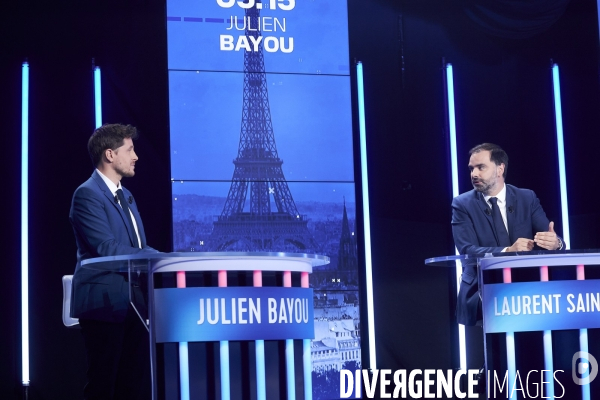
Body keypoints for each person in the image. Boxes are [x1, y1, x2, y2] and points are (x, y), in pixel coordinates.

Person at [69, 123, 158, 400]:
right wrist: (159, 258)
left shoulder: (126, 195)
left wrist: (163, 259)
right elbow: (107, 248)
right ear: (110, 154)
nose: (136, 156)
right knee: (103, 386)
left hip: (136, 304)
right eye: (130, 149)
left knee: (133, 385)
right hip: (105, 304)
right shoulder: (87, 194)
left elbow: (138, 248)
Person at [451, 143, 563, 326]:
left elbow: (550, 236)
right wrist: (508, 250)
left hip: (527, 296)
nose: (474, 174)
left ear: (500, 168)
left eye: (481, 167)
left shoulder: (527, 198)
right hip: (482, 296)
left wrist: (555, 243)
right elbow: (467, 251)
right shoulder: (462, 204)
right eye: (471, 169)